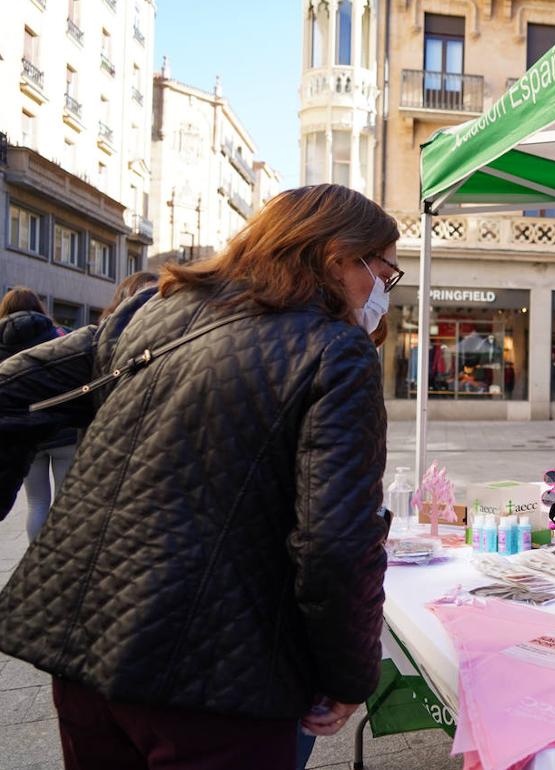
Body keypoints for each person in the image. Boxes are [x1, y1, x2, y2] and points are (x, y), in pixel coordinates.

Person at [0, 184, 399, 769]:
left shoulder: (154, 312)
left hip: (87, 653)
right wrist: (348, 677)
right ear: (336, 255)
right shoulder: (335, 351)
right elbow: (336, 545)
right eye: (382, 272)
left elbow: (11, 386)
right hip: (215, 682)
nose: (380, 293)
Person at [0, 287, 76, 542]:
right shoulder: (61, 336)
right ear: (39, 309)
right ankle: (63, 559)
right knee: (65, 504)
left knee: (36, 502)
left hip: (25, 435)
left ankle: (37, 558)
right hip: (63, 430)